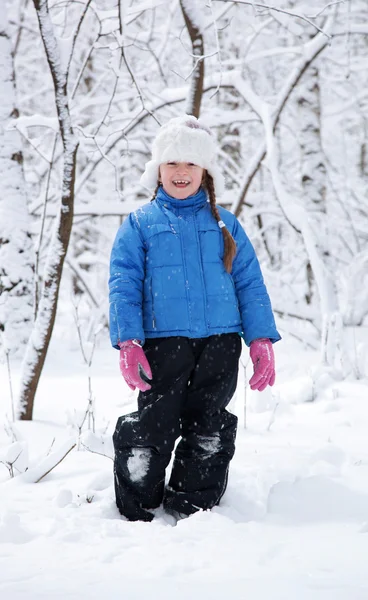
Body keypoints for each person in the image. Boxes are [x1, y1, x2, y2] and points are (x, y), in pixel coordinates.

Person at [109, 115, 281, 522]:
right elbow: (124, 284)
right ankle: (138, 505)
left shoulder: (226, 224)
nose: (181, 172)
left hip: (221, 342)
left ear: (205, 170)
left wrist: (259, 339)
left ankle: (195, 507)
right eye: (172, 163)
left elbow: (250, 284)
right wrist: (129, 340)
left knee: (209, 425)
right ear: (157, 170)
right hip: (162, 345)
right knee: (153, 425)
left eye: (190, 164)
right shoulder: (139, 225)